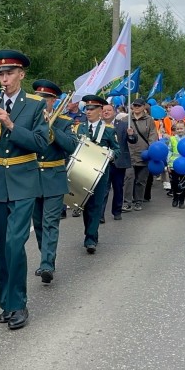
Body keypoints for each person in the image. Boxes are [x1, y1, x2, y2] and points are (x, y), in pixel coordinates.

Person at [0, 50, 48, 330]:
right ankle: (6, 303)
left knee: (15, 244)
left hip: (24, 179)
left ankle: (18, 304)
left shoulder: (35, 105)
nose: (4, 79)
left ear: (21, 75)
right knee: (3, 247)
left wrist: (10, 124)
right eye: (1, 74)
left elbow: (40, 143)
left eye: (9, 73)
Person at [30, 80, 76, 284]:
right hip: (32, 176)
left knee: (50, 222)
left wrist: (52, 128)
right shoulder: (29, 120)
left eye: (45, 99)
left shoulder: (64, 122)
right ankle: (46, 257)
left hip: (54, 176)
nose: (41, 102)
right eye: (38, 98)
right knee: (38, 223)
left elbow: (71, 146)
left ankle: (47, 264)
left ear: (53, 101)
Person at [75, 95, 120, 253]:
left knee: (96, 204)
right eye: (87, 108)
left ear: (100, 110)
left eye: (92, 109)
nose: (88, 111)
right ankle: (91, 232)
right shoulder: (79, 128)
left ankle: (90, 238)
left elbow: (117, 150)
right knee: (86, 204)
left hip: (100, 173)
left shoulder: (108, 130)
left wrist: (110, 154)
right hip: (82, 171)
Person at [123, 98, 157, 211]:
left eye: (139, 106)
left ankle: (138, 201)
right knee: (128, 178)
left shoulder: (149, 120)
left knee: (141, 180)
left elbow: (153, 135)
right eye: (135, 105)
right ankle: (127, 202)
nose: (136, 107)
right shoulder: (126, 119)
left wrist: (151, 149)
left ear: (143, 107)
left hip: (144, 153)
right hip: (129, 153)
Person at [105, 106, 136, 219]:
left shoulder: (123, 125)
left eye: (109, 110)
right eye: (104, 111)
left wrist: (131, 135)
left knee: (118, 188)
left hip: (119, 162)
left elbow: (133, 140)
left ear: (114, 112)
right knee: (103, 189)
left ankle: (117, 211)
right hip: (104, 162)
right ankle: (100, 215)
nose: (106, 112)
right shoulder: (99, 125)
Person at [167, 121, 185, 209]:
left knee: (183, 184)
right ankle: (175, 198)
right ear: (175, 130)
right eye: (177, 129)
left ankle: (181, 201)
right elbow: (169, 151)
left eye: (181, 128)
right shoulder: (172, 139)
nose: (179, 130)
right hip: (174, 164)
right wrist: (168, 164)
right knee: (174, 182)